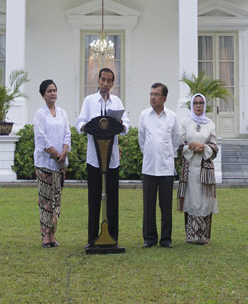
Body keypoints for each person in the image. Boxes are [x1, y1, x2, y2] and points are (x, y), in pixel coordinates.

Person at [76, 67, 130, 248]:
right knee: (94, 198)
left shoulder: (116, 102)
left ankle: (112, 237)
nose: (105, 84)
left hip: (112, 158)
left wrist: (121, 125)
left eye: (109, 81)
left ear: (113, 84)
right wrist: (85, 126)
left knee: (113, 198)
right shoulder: (89, 101)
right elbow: (80, 123)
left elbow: (126, 126)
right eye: (103, 80)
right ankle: (92, 238)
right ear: (98, 81)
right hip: (94, 158)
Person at [138, 82, 180, 248]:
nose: (152, 97)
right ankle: (149, 238)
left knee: (166, 205)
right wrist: (149, 152)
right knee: (148, 205)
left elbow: (175, 140)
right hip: (149, 167)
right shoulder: (144, 115)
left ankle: (166, 239)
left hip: (166, 167)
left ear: (164, 98)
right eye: (151, 94)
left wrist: (168, 155)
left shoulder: (172, 116)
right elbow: (142, 138)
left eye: (156, 94)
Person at [33, 79, 71, 248]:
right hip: (45, 164)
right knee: (45, 200)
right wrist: (56, 154)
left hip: (60, 165)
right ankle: (45, 234)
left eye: (54, 90)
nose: (53, 93)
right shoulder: (40, 114)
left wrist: (64, 152)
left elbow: (67, 134)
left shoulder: (62, 113)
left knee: (56, 200)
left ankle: (53, 233)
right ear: (43, 95)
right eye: (49, 91)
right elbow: (41, 138)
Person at [177, 93, 219, 244]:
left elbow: (215, 147)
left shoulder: (210, 124)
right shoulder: (185, 122)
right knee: (191, 199)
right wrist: (191, 147)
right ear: (192, 105)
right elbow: (179, 145)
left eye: (201, 103)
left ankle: (203, 237)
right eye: (196, 103)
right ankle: (191, 236)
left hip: (205, 170)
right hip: (190, 169)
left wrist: (204, 147)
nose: (199, 105)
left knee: (204, 200)